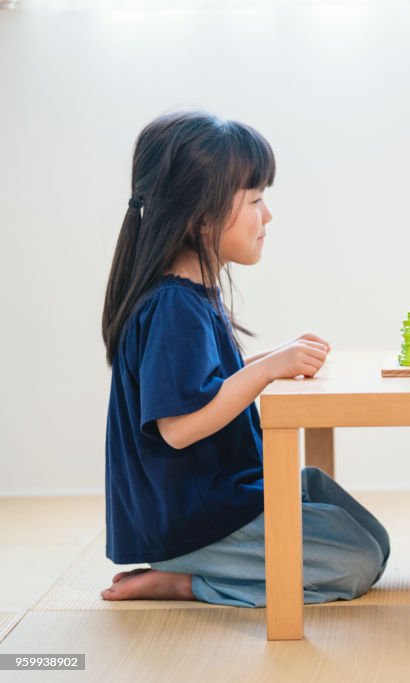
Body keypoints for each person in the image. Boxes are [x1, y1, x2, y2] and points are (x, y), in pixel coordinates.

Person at [99, 111, 389, 606]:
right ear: (199, 216)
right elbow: (178, 427)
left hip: (220, 503)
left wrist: (273, 357)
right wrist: (266, 370)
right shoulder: (174, 306)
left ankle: (209, 568)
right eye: (255, 200)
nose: (268, 216)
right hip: (195, 525)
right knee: (357, 559)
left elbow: (207, 387)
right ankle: (186, 582)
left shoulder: (191, 297)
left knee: (362, 528)